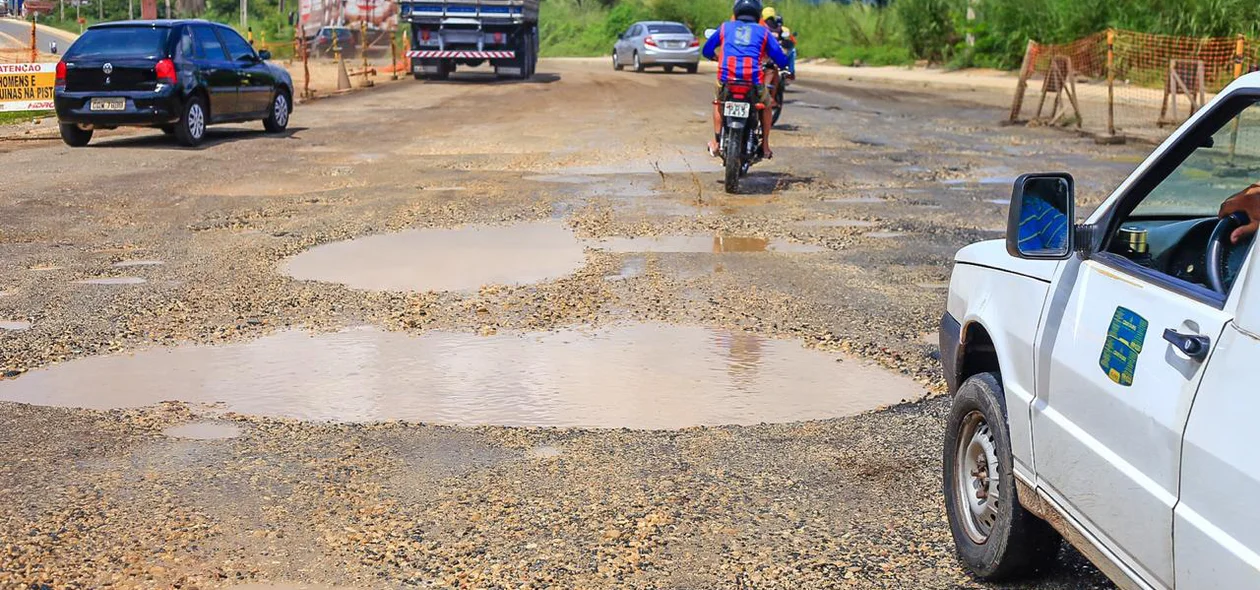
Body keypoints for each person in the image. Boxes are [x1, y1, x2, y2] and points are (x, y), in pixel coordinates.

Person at [702, 0, 790, 159]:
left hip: (726, 79)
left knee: (718, 102)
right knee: (767, 104)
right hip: (753, 81)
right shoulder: (763, 32)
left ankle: (716, 142)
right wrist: (783, 64)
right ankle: (765, 146)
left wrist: (715, 57)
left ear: (736, 12)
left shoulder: (725, 27)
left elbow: (707, 50)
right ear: (758, 14)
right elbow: (779, 56)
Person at [761, 7, 795, 78]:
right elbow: (792, 41)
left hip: (767, 51)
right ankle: (790, 72)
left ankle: (789, 72)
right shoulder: (780, 28)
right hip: (773, 51)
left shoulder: (760, 26)